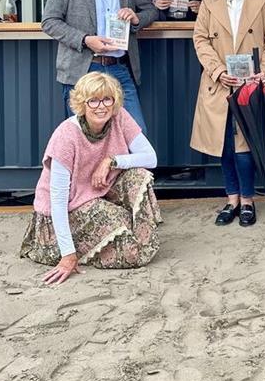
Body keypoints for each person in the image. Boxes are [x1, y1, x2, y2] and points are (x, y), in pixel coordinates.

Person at [20, 71, 162, 284]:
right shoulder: (66, 136)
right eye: (93, 100)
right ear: (81, 104)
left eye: (107, 99)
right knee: (129, 244)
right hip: (69, 207)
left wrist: (110, 161)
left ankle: (132, 233)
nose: (101, 106)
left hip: (99, 193)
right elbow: (58, 202)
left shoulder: (119, 116)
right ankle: (80, 247)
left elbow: (151, 158)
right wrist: (67, 255)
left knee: (139, 176)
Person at [190, 0, 265, 227]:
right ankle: (231, 199)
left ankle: (247, 200)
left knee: (246, 144)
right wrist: (218, 71)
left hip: (252, 82)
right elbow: (201, 39)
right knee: (224, 145)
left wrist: (263, 71)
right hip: (219, 81)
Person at [42, 0, 157, 131]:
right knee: (85, 137)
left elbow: (151, 10)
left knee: (136, 134)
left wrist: (136, 18)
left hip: (120, 69)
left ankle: (124, 166)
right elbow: (49, 21)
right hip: (82, 69)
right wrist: (85, 40)